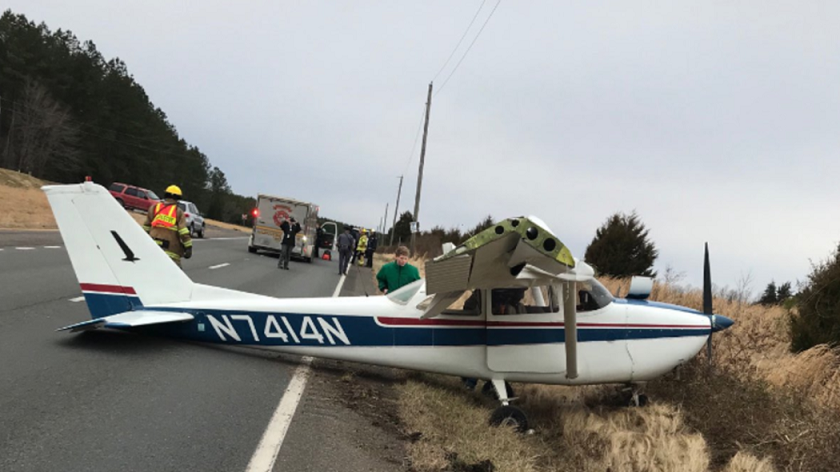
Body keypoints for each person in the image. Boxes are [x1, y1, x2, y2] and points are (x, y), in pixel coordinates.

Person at [143, 185, 192, 268]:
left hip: (152, 248)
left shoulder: (154, 208)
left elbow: (146, 228)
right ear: (178, 198)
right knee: (176, 277)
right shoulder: (178, 212)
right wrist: (188, 247)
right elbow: (183, 232)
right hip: (171, 252)